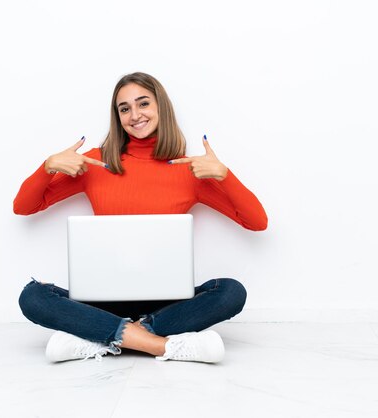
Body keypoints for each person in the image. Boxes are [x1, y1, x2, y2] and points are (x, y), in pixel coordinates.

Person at [14, 72, 267, 364]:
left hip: (165, 303)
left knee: (231, 292)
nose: (135, 115)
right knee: (32, 296)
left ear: (161, 107)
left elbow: (257, 222)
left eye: (143, 103)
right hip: (101, 300)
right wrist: (47, 167)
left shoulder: (189, 169)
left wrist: (224, 175)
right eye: (124, 108)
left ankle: (103, 338)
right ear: (117, 116)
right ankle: (159, 345)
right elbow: (24, 206)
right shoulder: (96, 163)